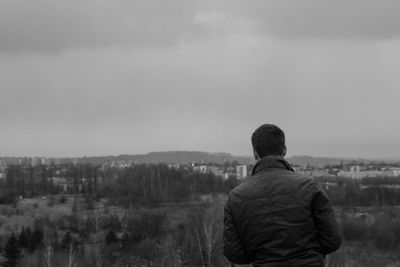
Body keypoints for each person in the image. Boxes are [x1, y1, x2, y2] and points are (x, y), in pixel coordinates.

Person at [223, 124, 341, 267]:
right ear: (284, 150)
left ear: (255, 153)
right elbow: (332, 240)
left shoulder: (236, 197)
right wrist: (310, 255)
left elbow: (235, 254)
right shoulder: (310, 187)